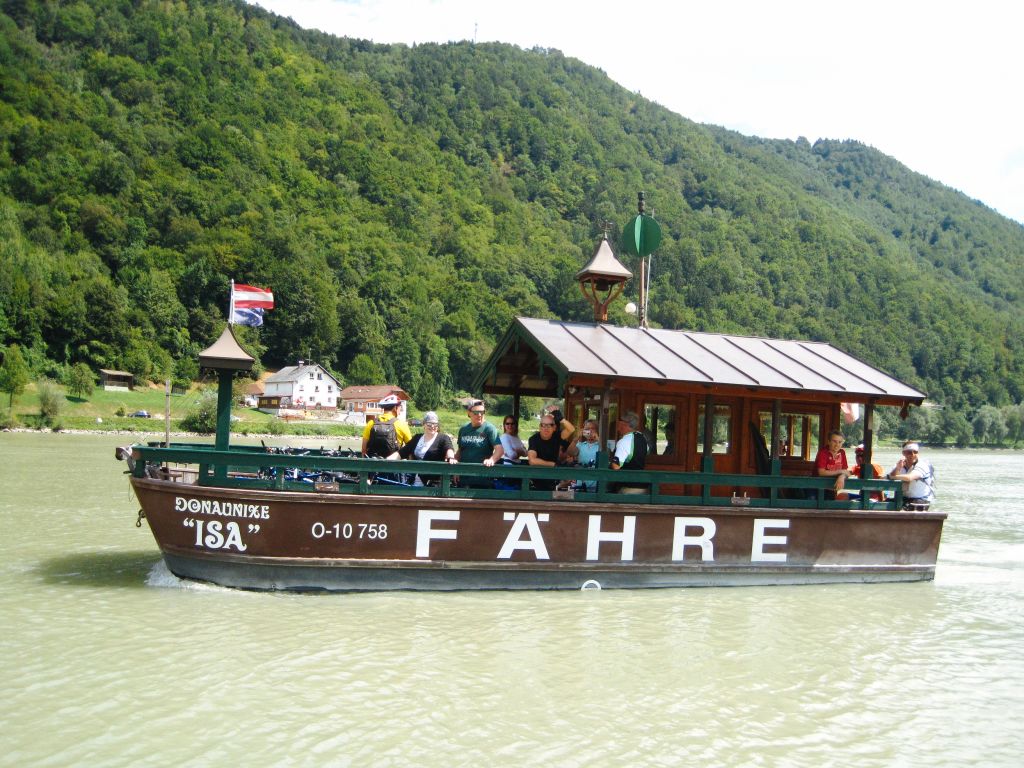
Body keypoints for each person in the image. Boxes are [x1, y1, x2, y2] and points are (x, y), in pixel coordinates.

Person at [387, 411, 455, 486]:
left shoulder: (443, 438)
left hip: (432, 484)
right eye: (429, 424)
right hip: (414, 480)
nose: (432, 426)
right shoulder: (417, 438)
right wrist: (386, 460)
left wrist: (451, 457)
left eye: (435, 424)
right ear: (424, 424)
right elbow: (402, 452)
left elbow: (449, 449)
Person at [453, 400, 503, 487]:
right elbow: (460, 451)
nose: (479, 415)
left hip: (483, 476)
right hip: (464, 476)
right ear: (469, 413)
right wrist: (455, 470)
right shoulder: (464, 429)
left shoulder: (489, 429)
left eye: (482, 412)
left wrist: (491, 460)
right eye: (476, 412)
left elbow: (500, 450)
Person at [527, 411, 574, 490]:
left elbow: (571, 429)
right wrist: (553, 464)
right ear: (540, 427)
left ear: (554, 427)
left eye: (550, 425)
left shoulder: (557, 436)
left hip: (554, 476)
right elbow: (532, 460)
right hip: (538, 477)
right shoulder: (534, 439)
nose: (546, 428)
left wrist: (562, 419)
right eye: (543, 425)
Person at [886, 441, 935, 509]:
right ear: (903, 453)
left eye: (915, 452)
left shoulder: (922, 465)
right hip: (904, 498)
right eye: (909, 452)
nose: (912, 454)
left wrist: (891, 477)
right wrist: (897, 468)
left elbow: (909, 477)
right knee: (884, 504)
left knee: (903, 509)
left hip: (921, 500)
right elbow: (890, 476)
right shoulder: (900, 464)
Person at [610, 410, 648, 493]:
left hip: (627, 487)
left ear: (624, 424)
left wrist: (610, 462)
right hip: (641, 485)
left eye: (619, 422)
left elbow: (616, 466)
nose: (617, 425)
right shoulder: (642, 437)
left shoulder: (624, 441)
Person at [812, 429, 850, 499]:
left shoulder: (842, 453)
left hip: (832, 488)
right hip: (817, 487)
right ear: (829, 441)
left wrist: (842, 477)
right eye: (834, 441)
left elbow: (846, 471)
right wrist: (840, 471)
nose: (837, 445)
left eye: (840, 442)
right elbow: (821, 472)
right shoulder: (823, 452)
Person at [566, 419, 601, 491]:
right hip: (581, 484)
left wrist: (598, 439)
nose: (590, 431)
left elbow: (608, 454)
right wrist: (576, 438)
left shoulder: (601, 445)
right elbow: (570, 452)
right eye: (587, 429)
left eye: (593, 428)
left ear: (597, 430)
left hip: (596, 485)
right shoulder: (580, 444)